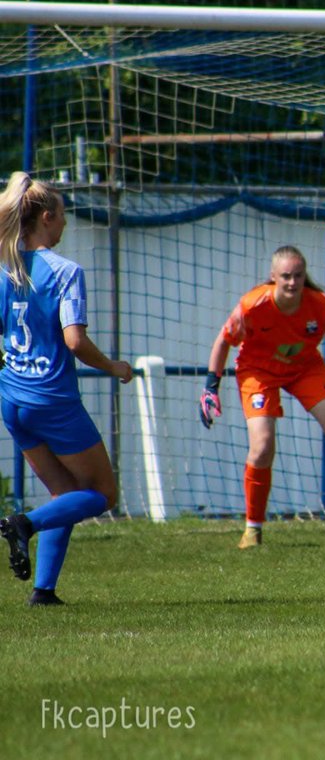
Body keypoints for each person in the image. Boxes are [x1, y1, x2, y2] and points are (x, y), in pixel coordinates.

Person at [0, 172, 134, 606]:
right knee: (102, 494)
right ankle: (25, 524)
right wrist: (114, 367)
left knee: (67, 494)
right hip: (52, 401)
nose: (64, 226)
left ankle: (43, 592)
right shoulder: (65, 272)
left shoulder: (5, 269)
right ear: (46, 217)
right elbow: (74, 341)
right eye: (62, 218)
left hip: (13, 399)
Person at [200, 245, 325, 548]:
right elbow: (223, 343)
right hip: (258, 372)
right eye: (286, 276)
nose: (292, 283)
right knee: (262, 447)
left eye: (298, 276)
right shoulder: (252, 305)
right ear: (273, 277)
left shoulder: (318, 304)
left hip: (305, 368)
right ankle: (253, 528)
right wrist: (211, 388)